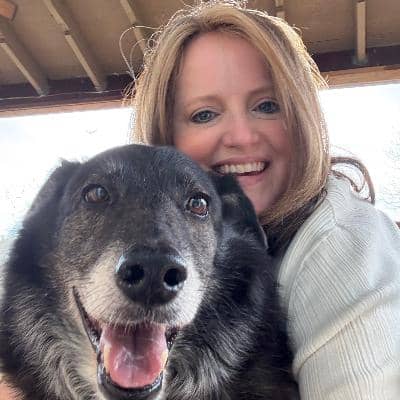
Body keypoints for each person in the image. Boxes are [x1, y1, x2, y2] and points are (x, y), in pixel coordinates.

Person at [130, 1, 400, 399]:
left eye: (267, 106)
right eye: (204, 114)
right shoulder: (178, 255)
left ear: (301, 118)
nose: (241, 136)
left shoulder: (343, 244)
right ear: (164, 138)